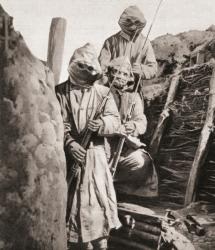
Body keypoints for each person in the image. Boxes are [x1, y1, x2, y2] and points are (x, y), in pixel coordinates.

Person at [55, 43, 121, 250]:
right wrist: (70, 143)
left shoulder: (103, 93)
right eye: (81, 67)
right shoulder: (60, 92)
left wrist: (102, 124)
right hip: (69, 158)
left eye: (90, 69)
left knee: (98, 210)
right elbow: (58, 122)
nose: (85, 73)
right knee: (72, 210)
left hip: (96, 158)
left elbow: (115, 120)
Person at [106, 56, 158, 198]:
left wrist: (133, 125)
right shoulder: (100, 92)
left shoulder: (133, 97)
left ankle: (117, 187)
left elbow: (141, 122)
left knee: (141, 162)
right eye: (117, 72)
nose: (121, 77)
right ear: (110, 73)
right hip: (103, 144)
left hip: (123, 148)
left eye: (124, 74)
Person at [99, 5, 157, 99]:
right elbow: (102, 68)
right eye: (129, 21)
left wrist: (141, 70)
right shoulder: (111, 41)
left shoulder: (145, 43)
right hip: (110, 92)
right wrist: (109, 83)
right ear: (123, 21)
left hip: (133, 93)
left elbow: (153, 69)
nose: (133, 26)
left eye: (136, 22)